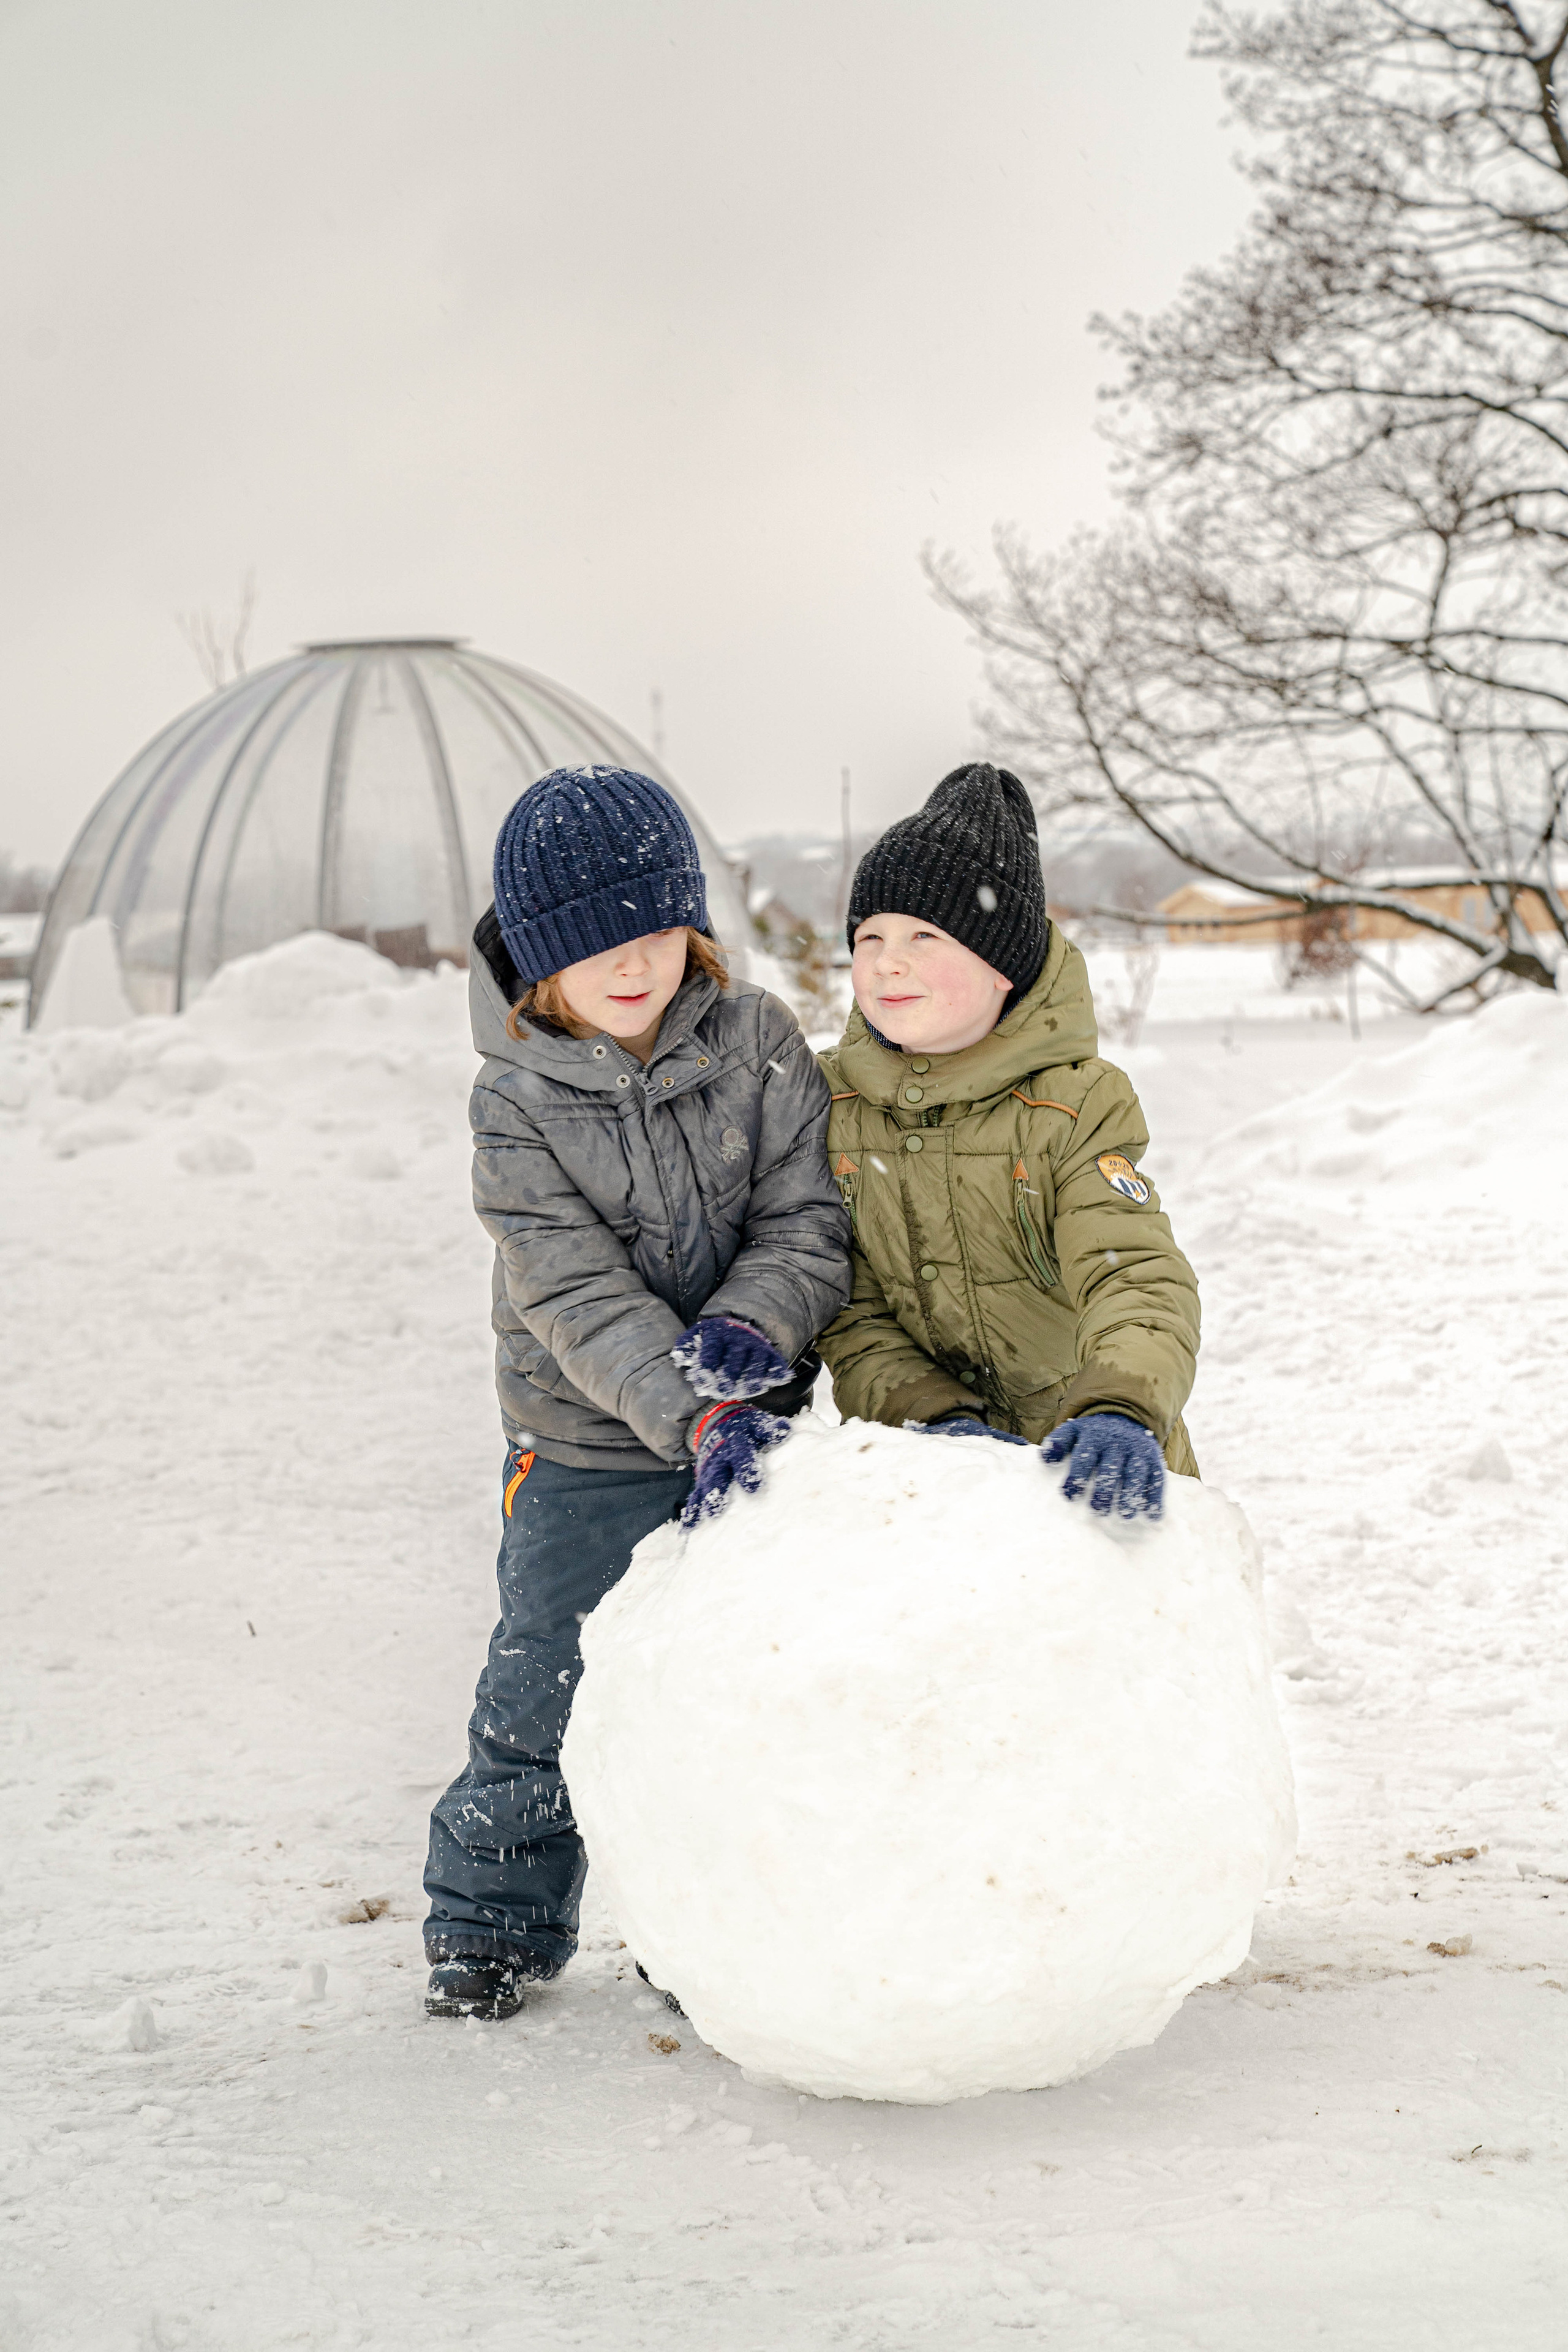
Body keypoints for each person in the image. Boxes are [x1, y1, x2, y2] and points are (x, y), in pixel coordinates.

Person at [424, 764, 851, 2021]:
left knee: (729, 1694)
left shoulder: (759, 1040)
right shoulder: (513, 1102)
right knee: (545, 1690)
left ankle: (700, 1931)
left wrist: (750, 1331)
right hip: (584, 1445)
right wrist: (687, 1406)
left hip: (751, 1425)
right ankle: (493, 1925)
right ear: (544, 953)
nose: (635, 961)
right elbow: (572, 1300)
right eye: (598, 939)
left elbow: (806, 1220)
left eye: (657, 929)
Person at [817, 761, 1199, 1513]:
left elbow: (1133, 1273)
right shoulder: (831, 1103)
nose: (888, 960)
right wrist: (930, 1415)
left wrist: (1120, 1406)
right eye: (869, 936)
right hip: (927, 1480)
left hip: (1095, 1467)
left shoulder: (1073, 1105)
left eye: (925, 935)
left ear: (1004, 969)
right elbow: (848, 1306)